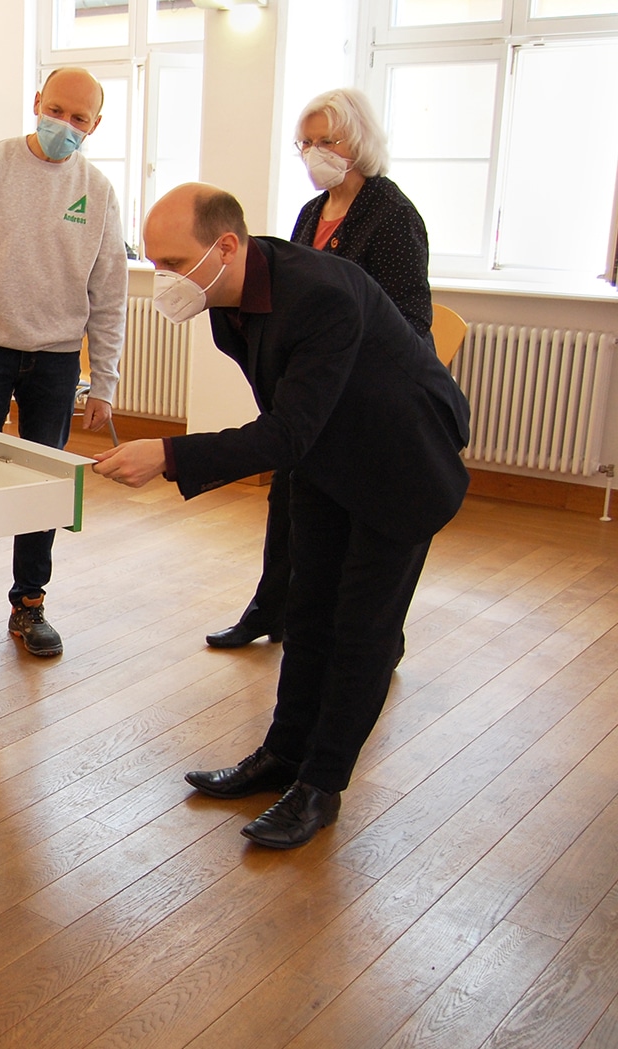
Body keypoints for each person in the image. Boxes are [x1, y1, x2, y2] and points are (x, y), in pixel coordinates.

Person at [93, 184, 470, 848]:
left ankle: (321, 787)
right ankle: (281, 756)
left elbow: (287, 429)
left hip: (403, 463)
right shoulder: (224, 300)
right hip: (329, 455)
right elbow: (294, 419)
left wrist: (170, 453)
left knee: (362, 631)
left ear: (227, 246)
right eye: (155, 264)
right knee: (307, 610)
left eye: (174, 263)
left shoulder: (319, 292)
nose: (164, 281)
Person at [205, 87, 434, 652]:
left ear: (358, 142)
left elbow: (410, 320)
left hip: (365, 394)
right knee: (286, 496)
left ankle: (369, 634)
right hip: (314, 386)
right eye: (304, 143)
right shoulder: (312, 212)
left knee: (348, 525)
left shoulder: (393, 215)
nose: (312, 153)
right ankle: (272, 607)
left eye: (324, 141)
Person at [0, 67, 128, 679]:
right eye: (58, 109)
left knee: (45, 490)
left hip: (58, 358)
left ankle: (29, 607)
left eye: (81, 118)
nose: (66, 125)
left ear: (96, 125)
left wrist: (107, 383)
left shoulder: (96, 191)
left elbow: (110, 292)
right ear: (37, 102)